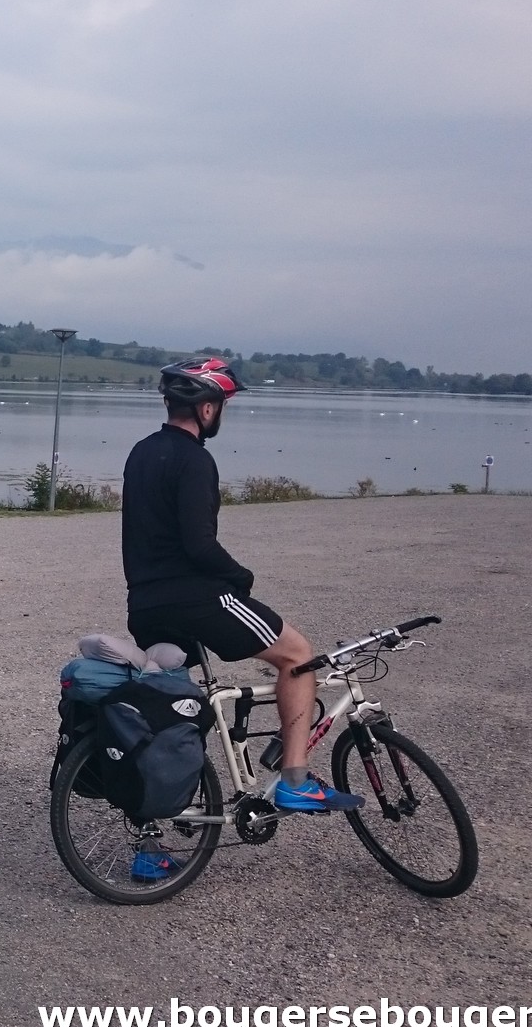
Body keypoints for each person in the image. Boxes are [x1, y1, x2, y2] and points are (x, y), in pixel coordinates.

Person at [120, 358, 360, 875]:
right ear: (208, 408)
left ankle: (148, 850)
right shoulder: (194, 460)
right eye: (221, 406)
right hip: (197, 597)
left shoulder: (141, 453)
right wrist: (240, 578)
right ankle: (296, 781)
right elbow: (199, 545)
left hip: (146, 602)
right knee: (298, 656)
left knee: (170, 717)